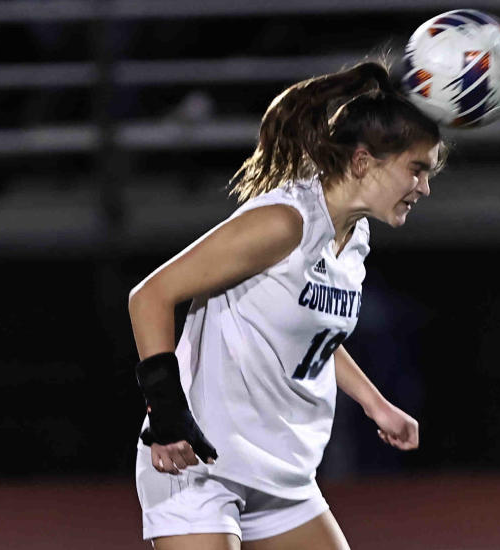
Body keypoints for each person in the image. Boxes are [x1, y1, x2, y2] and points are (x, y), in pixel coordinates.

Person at [128, 60, 446, 550]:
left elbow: (312, 335)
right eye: (416, 169)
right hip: (202, 467)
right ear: (363, 162)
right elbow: (150, 296)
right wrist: (167, 415)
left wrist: (375, 404)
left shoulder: (354, 237)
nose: (424, 187)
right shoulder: (285, 221)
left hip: (284, 473)